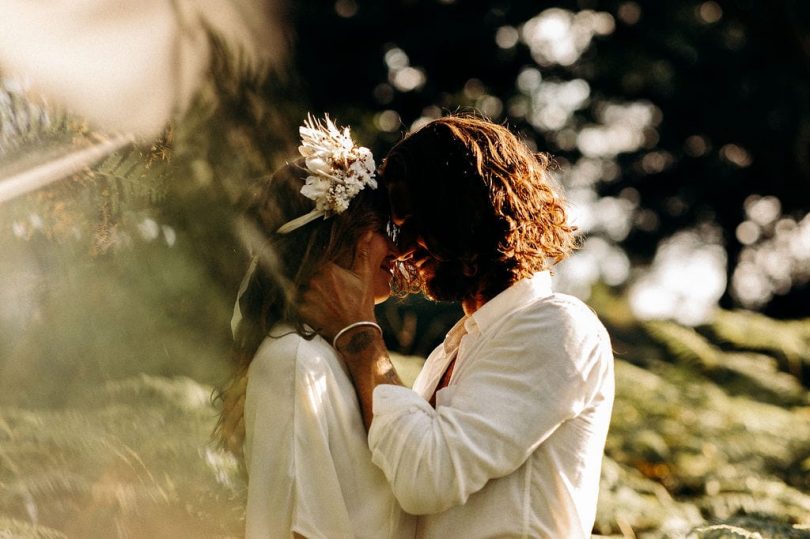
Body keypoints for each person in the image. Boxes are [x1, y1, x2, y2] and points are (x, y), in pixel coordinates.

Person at [300, 115, 615, 538]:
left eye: (415, 223)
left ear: (467, 213)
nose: (402, 248)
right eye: (396, 228)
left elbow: (426, 478)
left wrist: (359, 333)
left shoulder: (557, 326)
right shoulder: (452, 350)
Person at [215, 116, 416, 539]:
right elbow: (293, 525)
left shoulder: (335, 355)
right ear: (340, 236)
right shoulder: (293, 361)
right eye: (385, 229)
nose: (398, 247)